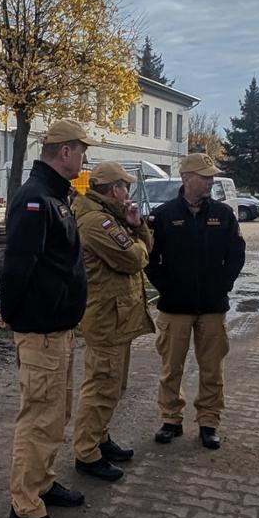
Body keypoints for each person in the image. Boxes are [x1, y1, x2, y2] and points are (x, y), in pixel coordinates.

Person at [0, 120, 98, 518]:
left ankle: (42, 482)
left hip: (58, 328)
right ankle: (25, 505)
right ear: (64, 152)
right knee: (39, 417)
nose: (85, 159)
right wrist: (10, 311)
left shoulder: (57, 196)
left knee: (57, 413)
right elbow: (19, 263)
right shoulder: (36, 199)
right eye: (82, 152)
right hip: (39, 330)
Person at [145, 153, 245, 451]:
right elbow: (150, 258)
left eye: (212, 177)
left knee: (211, 368)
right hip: (175, 307)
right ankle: (171, 418)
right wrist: (166, 287)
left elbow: (237, 253)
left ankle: (209, 422)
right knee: (171, 366)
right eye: (205, 177)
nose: (211, 182)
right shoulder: (163, 215)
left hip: (213, 307)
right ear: (187, 178)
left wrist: (222, 284)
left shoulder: (224, 214)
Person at [70, 161, 154, 483]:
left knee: (113, 386)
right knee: (101, 388)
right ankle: (87, 453)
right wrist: (136, 242)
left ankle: (100, 438)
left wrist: (137, 227)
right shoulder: (95, 223)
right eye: (125, 187)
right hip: (107, 320)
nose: (128, 193)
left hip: (118, 318)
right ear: (113, 189)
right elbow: (134, 259)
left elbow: (144, 248)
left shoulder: (113, 219)